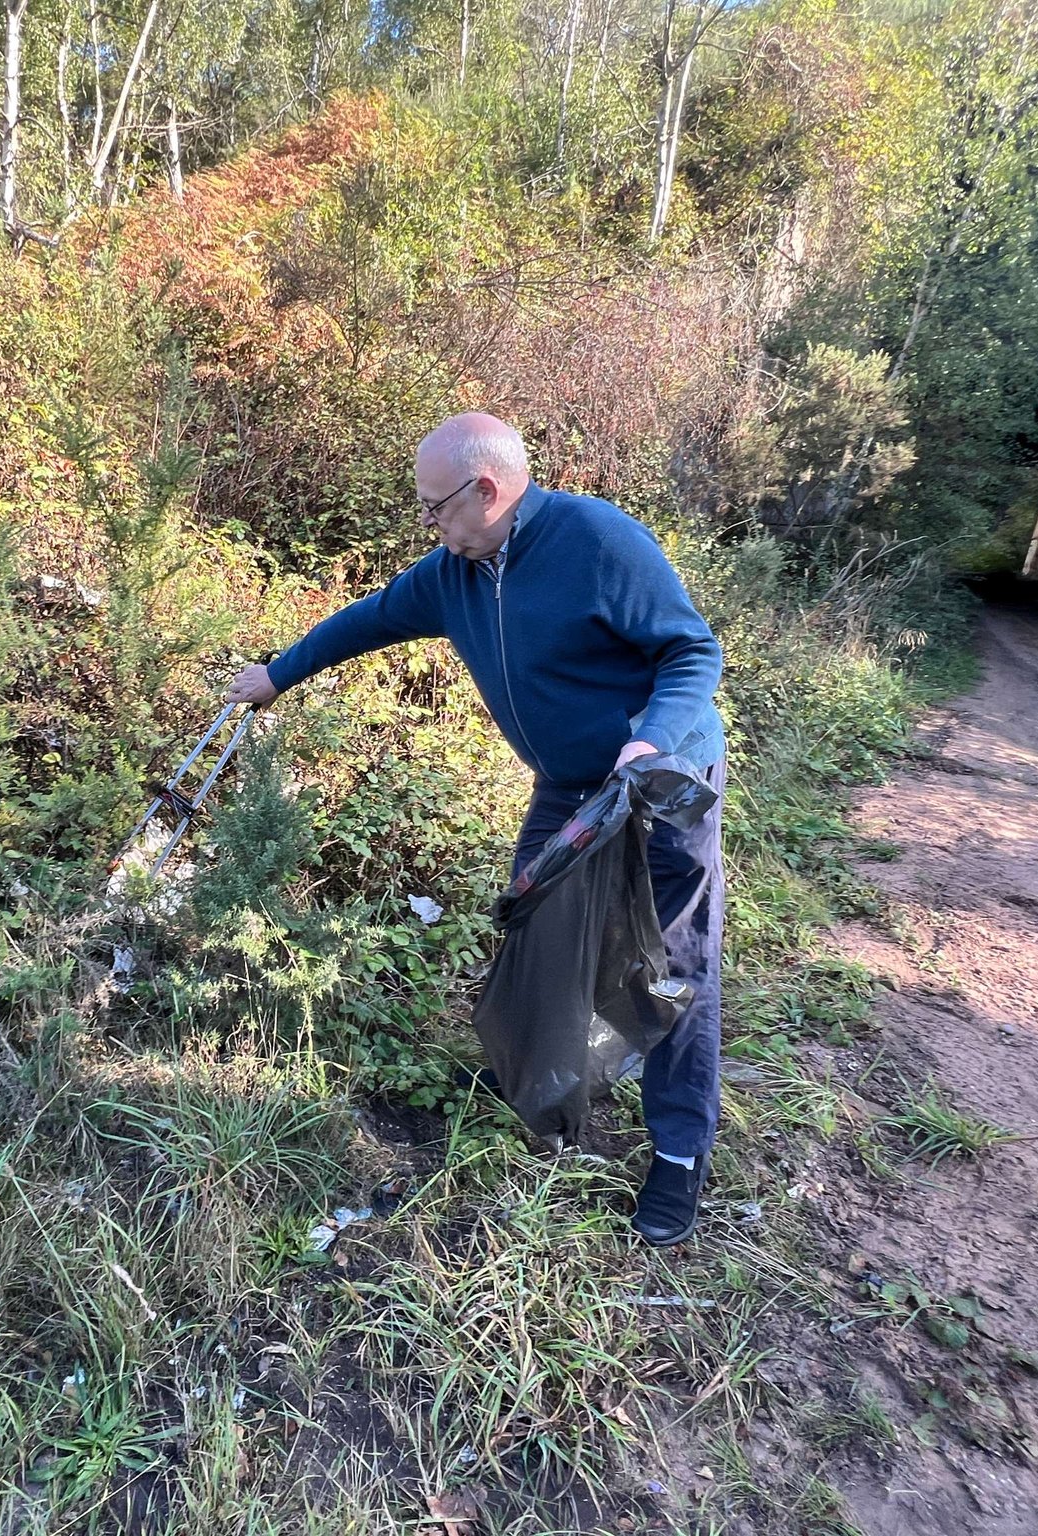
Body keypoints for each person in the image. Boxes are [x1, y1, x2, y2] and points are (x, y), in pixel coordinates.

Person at [224, 413, 727, 1246]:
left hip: (661, 782)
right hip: (570, 787)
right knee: (533, 930)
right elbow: (371, 617)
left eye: (435, 508)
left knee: (676, 964)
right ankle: (544, 1083)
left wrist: (651, 737)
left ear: (486, 492)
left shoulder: (598, 541)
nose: (429, 524)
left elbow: (691, 651)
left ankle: (677, 1154)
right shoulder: (456, 572)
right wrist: (277, 674)